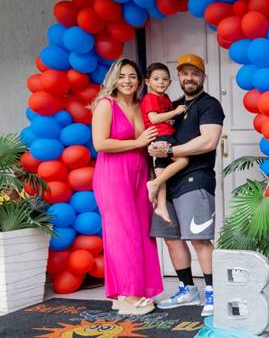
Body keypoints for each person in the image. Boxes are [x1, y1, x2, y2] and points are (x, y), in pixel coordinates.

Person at [149, 53, 224, 317]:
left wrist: (170, 151)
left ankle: (214, 293)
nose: (189, 78)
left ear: (203, 77)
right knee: (171, 239)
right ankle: (187, 290)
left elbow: (208, 141)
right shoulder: (174, 107)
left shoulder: (209, 105)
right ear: (178, 77)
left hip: (196, 179)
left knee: (199, 240)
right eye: (184, 73)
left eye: (195, 73)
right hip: (169, 181)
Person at [91, 58, 163, 315]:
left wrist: (155, 173)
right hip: (113, 176)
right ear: (114, 79)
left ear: (139, 80)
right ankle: (128, 295)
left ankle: (131, 290)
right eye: (122, 76)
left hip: (140, 174)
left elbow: (148, 143)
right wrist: (138, 142)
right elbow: (100, 143)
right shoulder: (106, 105)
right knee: (123, 234)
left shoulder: (141, 106)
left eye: (132, 76)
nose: (127, 81)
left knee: (142, 233)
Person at [140, 62, 188, 224]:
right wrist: (175, 112)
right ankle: (153, 184)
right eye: (156, 79)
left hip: (165, 135)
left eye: (165, 79)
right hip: (161, 137)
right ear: (148, 82)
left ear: (170, 82)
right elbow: (153, 118)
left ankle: (161, 207)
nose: (161, 82)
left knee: (162, 173)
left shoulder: (165, 98)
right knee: (183, 160)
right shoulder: (151, 98)